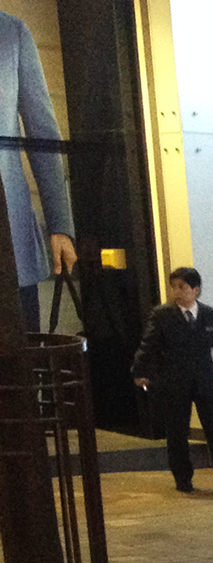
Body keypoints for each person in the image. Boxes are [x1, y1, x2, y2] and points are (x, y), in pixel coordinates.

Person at [132, 266, 213, 495]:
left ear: (196, 290)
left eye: (182, 287)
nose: (177, 292)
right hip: (174, 380)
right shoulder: (162, 314)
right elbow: (148, 344)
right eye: (174, 287)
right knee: (177, 433)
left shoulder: (210, 314)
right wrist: (139, 371)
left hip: (206, 379)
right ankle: (183, 480)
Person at [0, 9, 75, 332]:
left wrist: (59, 225)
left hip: (7, 236)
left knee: (20, 349)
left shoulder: (11, 32)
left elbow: (42, 132)